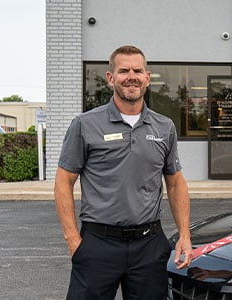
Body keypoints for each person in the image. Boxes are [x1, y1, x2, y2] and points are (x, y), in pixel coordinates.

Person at [54, 45, 193, 300]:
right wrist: (74, 241)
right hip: (98, 244)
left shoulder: (164, 127)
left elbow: (175, 183)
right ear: (110, 78)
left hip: (149, 245)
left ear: (147, 78)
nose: (132, 76)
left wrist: (184, 234)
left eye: (138, 70)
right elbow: (64, 182)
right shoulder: (85, 124)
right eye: (124, 70)